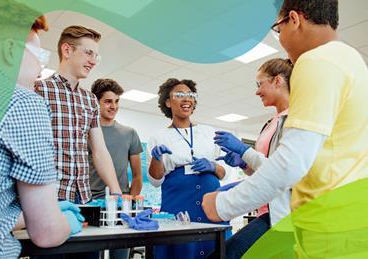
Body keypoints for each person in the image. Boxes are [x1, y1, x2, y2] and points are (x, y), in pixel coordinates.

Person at [202, 0, 368, 257]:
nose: (280, 39)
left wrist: (223, 204)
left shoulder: (317, 60)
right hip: (342, 222)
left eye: (278, 30)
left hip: (328, 227)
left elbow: (291, 162)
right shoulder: (350, 59)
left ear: (294, 19)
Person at [0, 1, 83, 258]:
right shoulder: (21, 101)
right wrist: (65, 223)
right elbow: (47, 233)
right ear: (11, 50)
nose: (41, 68)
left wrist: (27, 213)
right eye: (39, 56)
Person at [209, 58, 293, 259]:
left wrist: (244, 150)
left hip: (283, 215)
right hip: (266, 210)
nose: (256, 91)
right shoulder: (270, 124)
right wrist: (244, 164)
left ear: (278, 81)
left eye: (259, 84)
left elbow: (283, 171)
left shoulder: (295, 120)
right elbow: (266, 170)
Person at [34, 25, 122, 206]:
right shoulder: (38, 89)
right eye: (88, 53)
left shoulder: (90, 100)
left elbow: (99, 151)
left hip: (82, 196)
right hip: (47, 195)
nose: (93, 61)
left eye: (96, 56)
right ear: (67, 50)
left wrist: (116, 191)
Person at [147, 78, 228, 259]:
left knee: (214, 249)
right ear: (168, 102)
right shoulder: (159, 137)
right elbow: (155, 180)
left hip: (211, 203)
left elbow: (223, 173)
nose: (186, 99)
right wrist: (156, 159)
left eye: (190, 95)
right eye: (179, 95)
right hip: (178, 203)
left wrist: (213, 165)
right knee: (181, 250)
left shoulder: (208, 132)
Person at [90, 78, 143, 259]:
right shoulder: (86, 133)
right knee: (88, 255)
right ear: (96, 102)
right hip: (91, 204)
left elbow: (137, 175)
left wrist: (131, 203)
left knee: (119, 256)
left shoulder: (129, 133)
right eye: (108, 101)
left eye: (117, 101)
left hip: (121, 205)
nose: (113, 106)